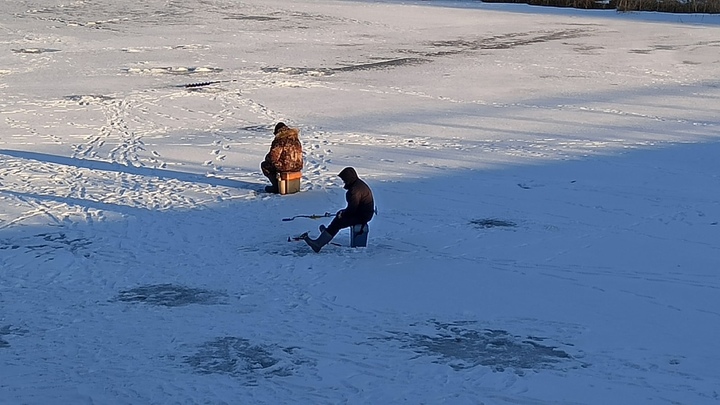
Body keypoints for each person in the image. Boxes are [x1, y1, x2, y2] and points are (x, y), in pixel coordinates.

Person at [304, 167, 375, 253]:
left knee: (339, 221)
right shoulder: (357, 184)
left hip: (362, 216)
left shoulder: (355, 190)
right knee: (339, 216)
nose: (344, 182)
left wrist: (343, 214)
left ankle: (319, 244)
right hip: (362, 213)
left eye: (344, 180)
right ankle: (327, 233)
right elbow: (353, 208)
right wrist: (343, 213)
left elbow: (352, 208)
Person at [261, 122, 303, 193]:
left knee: (265, 165)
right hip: (297, 166)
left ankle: (276, 186)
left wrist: (267, 159)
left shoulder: (280, 140)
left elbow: (273, 156)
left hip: (285, 167)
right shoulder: (295, 139)